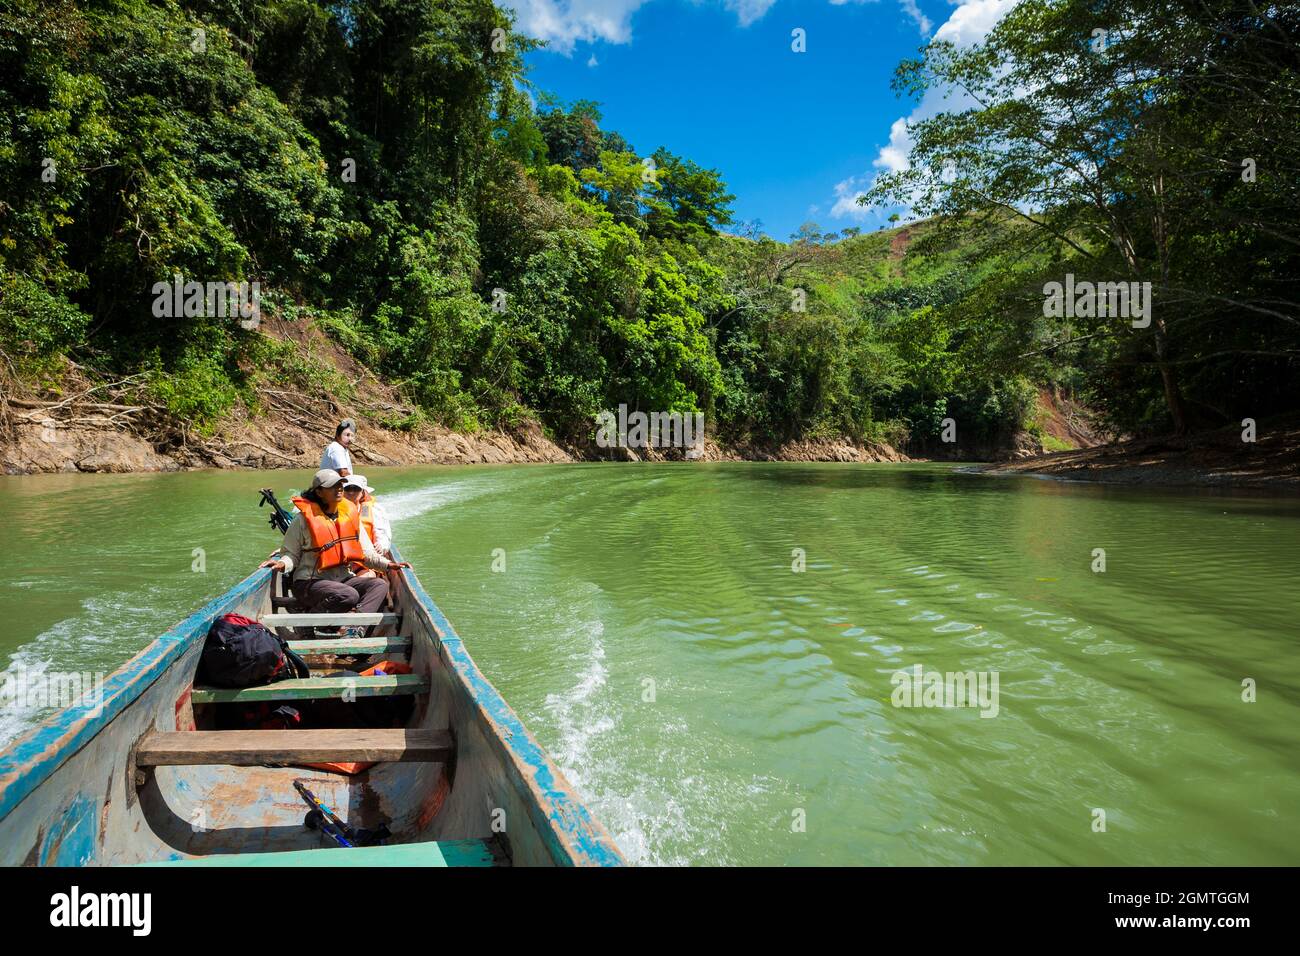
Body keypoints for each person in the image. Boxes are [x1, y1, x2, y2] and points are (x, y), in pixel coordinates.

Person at [260, 469, 408, 616]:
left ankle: (354, 627)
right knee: (349, 595)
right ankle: (310, 623)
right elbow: (291, 554)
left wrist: (388, 565)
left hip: (343, 579)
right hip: (310, 582)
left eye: (340, 485)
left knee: (379, 585)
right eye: (332, 486)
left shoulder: (350, 518)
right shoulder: (302, 520)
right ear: (319, 492)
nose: (339, 489)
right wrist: (281, 564)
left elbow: (366, 553)